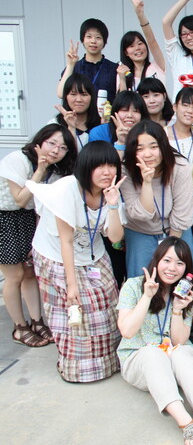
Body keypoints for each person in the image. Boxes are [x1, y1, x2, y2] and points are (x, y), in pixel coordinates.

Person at [117, 237, 193, 445]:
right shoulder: (133, 286)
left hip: (175, 360)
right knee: (153, 353)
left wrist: (177, 309)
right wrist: (147, 296)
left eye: (180, 263)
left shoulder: (186, 291)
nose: (172, 268)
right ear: (157, 260)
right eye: (167, 261)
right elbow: (127, 331)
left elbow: (179, 340)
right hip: (140, 359)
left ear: (186, 268)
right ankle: (185, 421)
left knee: (181, 351)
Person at [27, 141, 123, 382]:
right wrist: (72, 286)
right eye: (99, 166)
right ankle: (76, 368)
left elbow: (115, 238)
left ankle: (109, 362)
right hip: (56, 253)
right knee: (75, 309)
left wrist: (113, 206)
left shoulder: (112, 192)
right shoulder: (67, 189)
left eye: (111, 165)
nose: (107, 172)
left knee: (108, 301)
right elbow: (66, 241)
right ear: (86, 167)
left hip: (92, 252)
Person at [0, 124, 76, 347]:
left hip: (28, 219)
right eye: (52, 143)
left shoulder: (56, 171)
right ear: (39, 142)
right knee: (14, 275)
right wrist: (40, 170)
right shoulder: (18, 160)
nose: (56, 150)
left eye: (62, 147)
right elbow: (20, 199)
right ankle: (19, 327)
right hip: (4, 218)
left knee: (30, 272)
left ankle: (37, 321)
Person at [120, 120, 193, 277]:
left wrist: (169, 253)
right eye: (140, 149)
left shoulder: (180, 166)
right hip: (140, 230)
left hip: (175, 229)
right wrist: (147, 183)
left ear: (163, 146)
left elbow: (182, 213)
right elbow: (139, 214)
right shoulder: (126, 169)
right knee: (141, 281)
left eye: (154, 147)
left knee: (181, 278)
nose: (147, 154)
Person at [57, 18, 118, 103]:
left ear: (104, 41)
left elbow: (120, 98)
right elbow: (61, 94)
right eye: (89, 37)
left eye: (98, 37)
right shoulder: (74, 67)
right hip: (79, 111)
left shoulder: (114, 68)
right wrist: (70, 65)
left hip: (105, 111)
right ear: (83, 40)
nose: (93, 41)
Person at [117, 0, 167, 91]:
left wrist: (140, 15)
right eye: (131, 46)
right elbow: (122, 99)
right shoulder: (123, 73)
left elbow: (152, 41)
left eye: (140, 43)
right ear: (126, 52)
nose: (137, 48)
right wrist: (122, 79)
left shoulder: (157, 66)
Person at [52, 73, 102, 150]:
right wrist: (71, 127)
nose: (79, 99)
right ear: (66, 97)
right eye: (73, 94)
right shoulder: (55, 124)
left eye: (84, 94)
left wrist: (104, 126)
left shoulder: (101, 123)